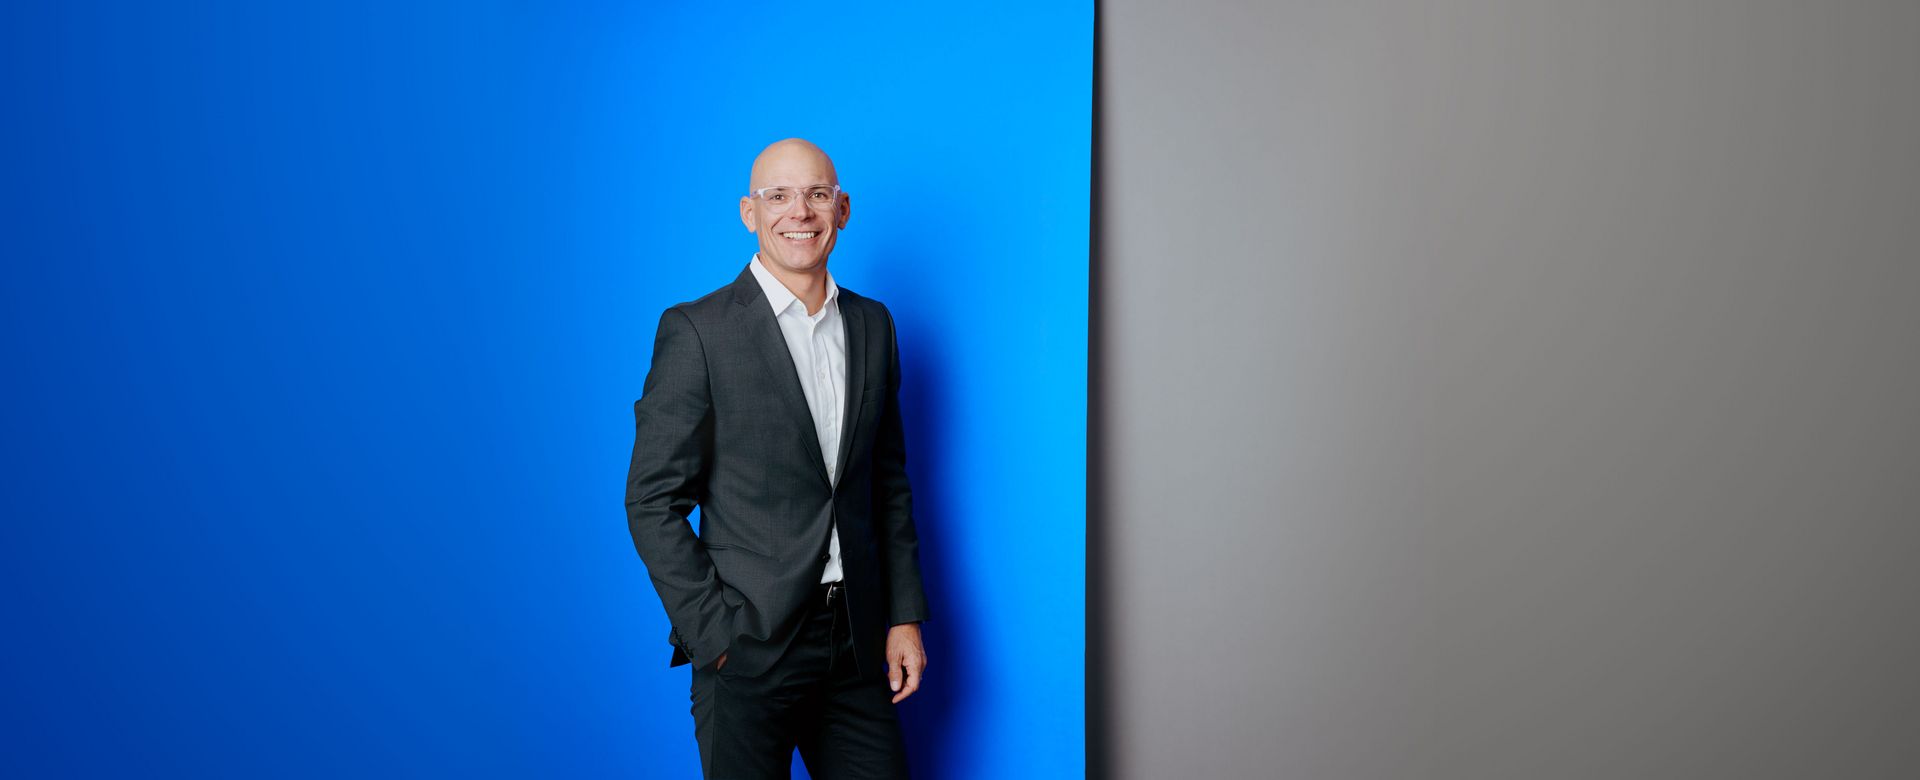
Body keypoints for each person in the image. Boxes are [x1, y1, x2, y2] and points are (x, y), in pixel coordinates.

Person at [624, 138, 929, 779]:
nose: (800, 212)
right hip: (749, 645)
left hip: (855, 642)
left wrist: (903, 616)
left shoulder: (873, 325)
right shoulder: (698, 330)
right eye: (779, 196)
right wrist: (716, 636)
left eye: (817, 194)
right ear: (749, 213)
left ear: (842, 209)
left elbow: (886, 482)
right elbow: (651, 501)